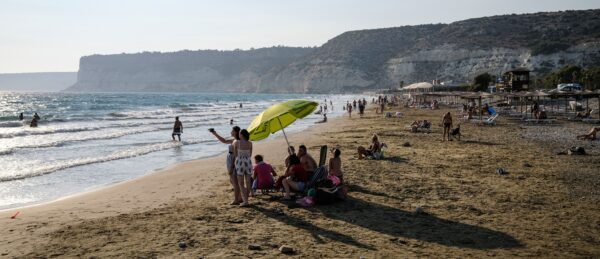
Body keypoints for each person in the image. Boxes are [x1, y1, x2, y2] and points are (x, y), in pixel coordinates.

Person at [209, 126, 242, 205]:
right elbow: (224, 141)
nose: (231, 131)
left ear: (236, 132)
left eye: (232, 130)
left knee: (234, 181)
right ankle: (240, 197)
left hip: (232, 159)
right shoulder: (235, 140)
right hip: (230, 158)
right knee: (233, 181)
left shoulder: (236, 141)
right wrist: (215, 134)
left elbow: (235, 155)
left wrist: (232, 166)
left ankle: (236, 200)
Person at [233, 129, 253, 207]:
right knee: (248, 182)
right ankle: (246, 199)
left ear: (241, 135)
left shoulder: (237, 142)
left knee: (241, 183)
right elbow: (250, 154)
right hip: (248, 162)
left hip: (240, 162)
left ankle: (245, 201)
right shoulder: (250, 143)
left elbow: (235, 154)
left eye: (240, 134)